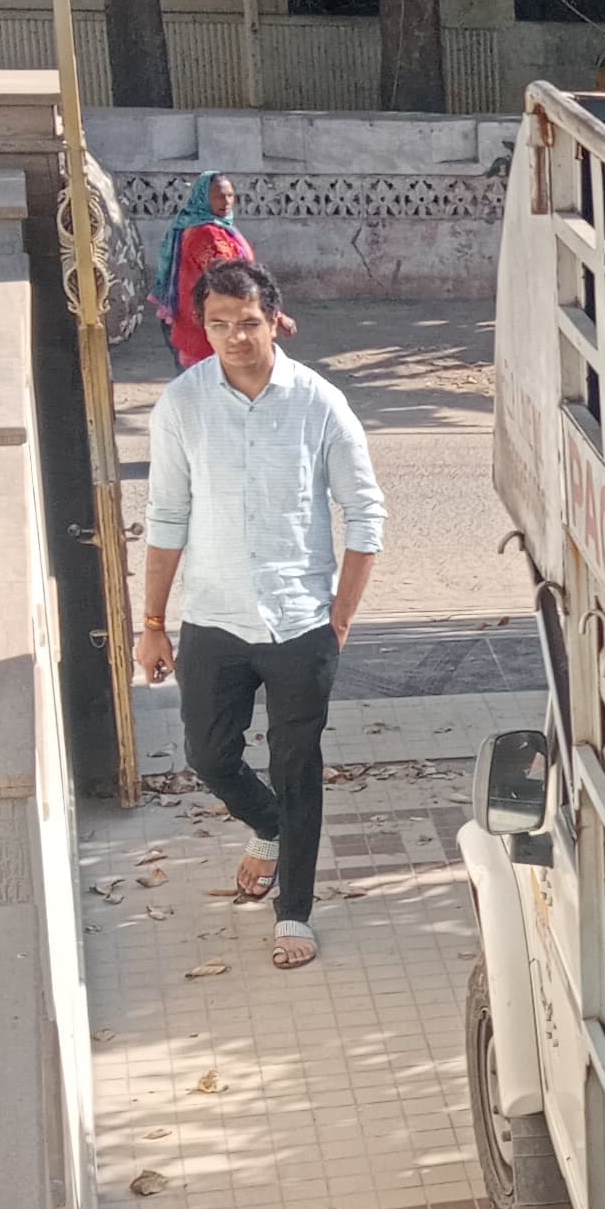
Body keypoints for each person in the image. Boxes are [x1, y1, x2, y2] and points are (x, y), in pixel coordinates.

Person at [136, 261, 386, 969]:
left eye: (247, 322)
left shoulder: (319, 403)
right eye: (219, 325)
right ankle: (272, 828)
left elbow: (366, 515)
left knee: (296, 763)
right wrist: (152, 622)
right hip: (212, 620)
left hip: (300, 622)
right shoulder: (183, 404)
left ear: (273, 319)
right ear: (202, 327)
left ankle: (295, 913)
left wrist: (338, 620)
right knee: (208, 756)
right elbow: (165, 515)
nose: (235, 337)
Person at [154, 171, 258, 369]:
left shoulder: (222, 228)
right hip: (205, 329)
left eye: (229, 195)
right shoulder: (206, 233)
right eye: (218, 196)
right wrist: (269, 313)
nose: (226, 201)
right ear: (203, 198)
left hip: (207, 324)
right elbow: (229, 280)